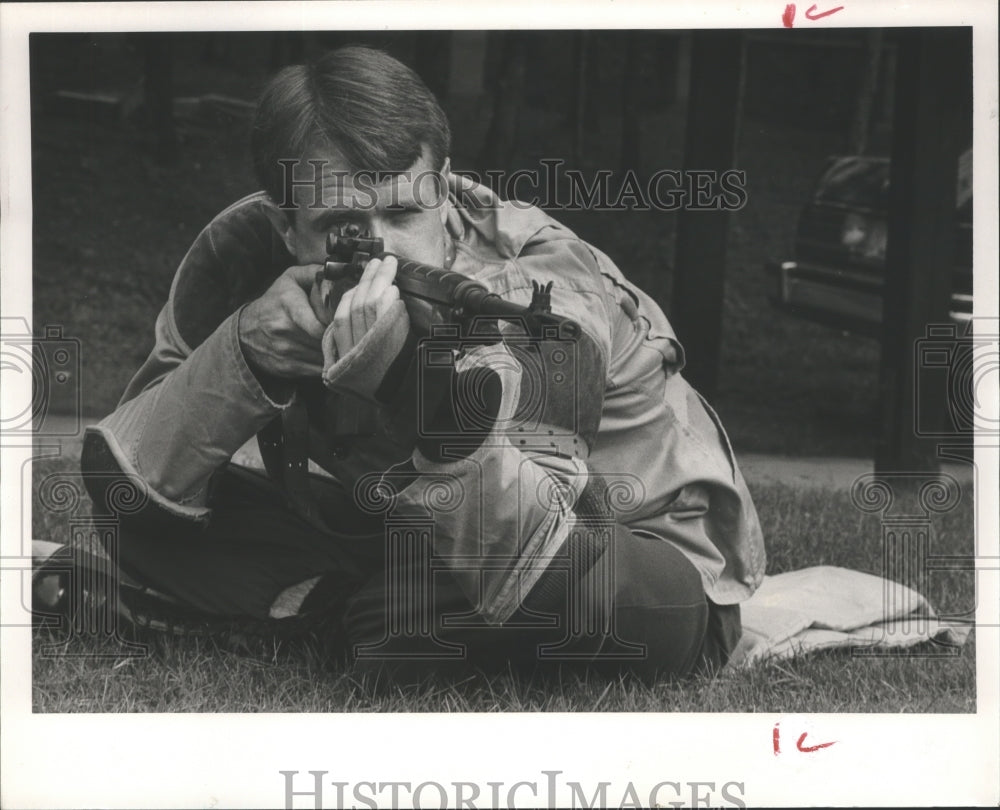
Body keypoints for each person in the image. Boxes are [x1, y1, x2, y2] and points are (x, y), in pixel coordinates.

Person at [80, 45, 765, 684]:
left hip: (629, 554)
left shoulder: (544, 292)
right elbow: (128, 479)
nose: (382, 253)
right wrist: (245, 352)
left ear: (443, 190)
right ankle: (346, 618)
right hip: (433, 532)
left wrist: (405, 375)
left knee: (404, 621)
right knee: (129, 513)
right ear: (287, 229)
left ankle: (314, 623)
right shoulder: (241, 255)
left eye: (404, 212)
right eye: (340, 228)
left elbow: (540, 551)